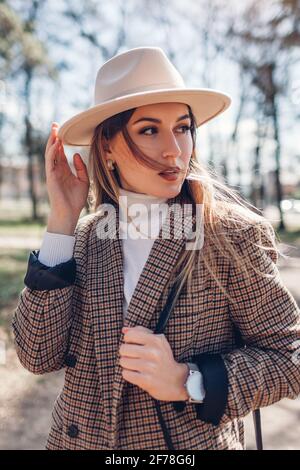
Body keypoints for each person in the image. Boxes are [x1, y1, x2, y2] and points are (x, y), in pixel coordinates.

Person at [12, 46, 300, 450]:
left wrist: (189, 381)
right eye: (150, 130)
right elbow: (37, 355)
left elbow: (290, 357)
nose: (175, 150)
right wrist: (62, 220)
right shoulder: (83, 239)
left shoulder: (231, 235)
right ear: (107, 146)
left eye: (182, 127)